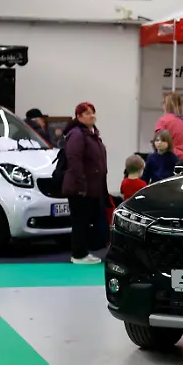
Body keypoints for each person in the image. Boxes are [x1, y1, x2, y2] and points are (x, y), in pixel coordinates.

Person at [62, 102, 109, 265]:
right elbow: (74, 160)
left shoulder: (92, 134)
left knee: (86, 220)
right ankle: (78, 254)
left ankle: (83, 251)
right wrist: (81, 184)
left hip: (91, 187)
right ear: (79, 117)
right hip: (79, 188)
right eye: (87, 113)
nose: (92, 115)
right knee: (80, 221)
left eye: (93, 112)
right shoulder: (77, 135)